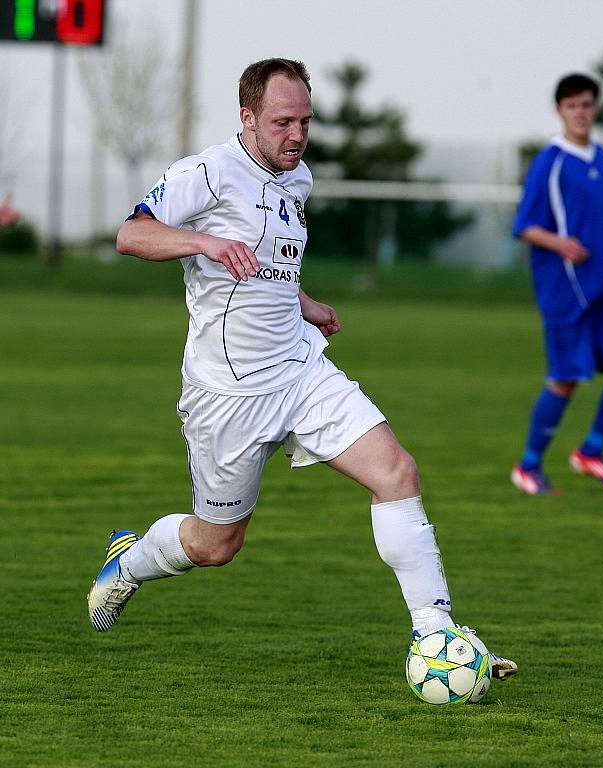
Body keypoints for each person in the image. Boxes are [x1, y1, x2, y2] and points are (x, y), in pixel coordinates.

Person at [87, 58, 517, 681]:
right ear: (248, 118)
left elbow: (272, 266)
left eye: (305, 122)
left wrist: (305, 302)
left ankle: (435, 636)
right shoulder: (209, 173)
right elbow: (132, 235)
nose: (296, 135)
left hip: (299, 369)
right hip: (228, 393)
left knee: (397, 472)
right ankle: (129, 563)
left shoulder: (297, 178)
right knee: (216, 546)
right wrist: (203, 243)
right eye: (282, 121)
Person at [511, 73, 603, 495]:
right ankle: (529, 466)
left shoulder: (600, 157)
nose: (582, 112)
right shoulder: (550, 162)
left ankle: (591, 451)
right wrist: (560, 244)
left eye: (588, 104)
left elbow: (590, 212)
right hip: (567, 288)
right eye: (573, 105)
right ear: (560, 110)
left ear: (596, 108)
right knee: (566, 378)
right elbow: (525, 225)